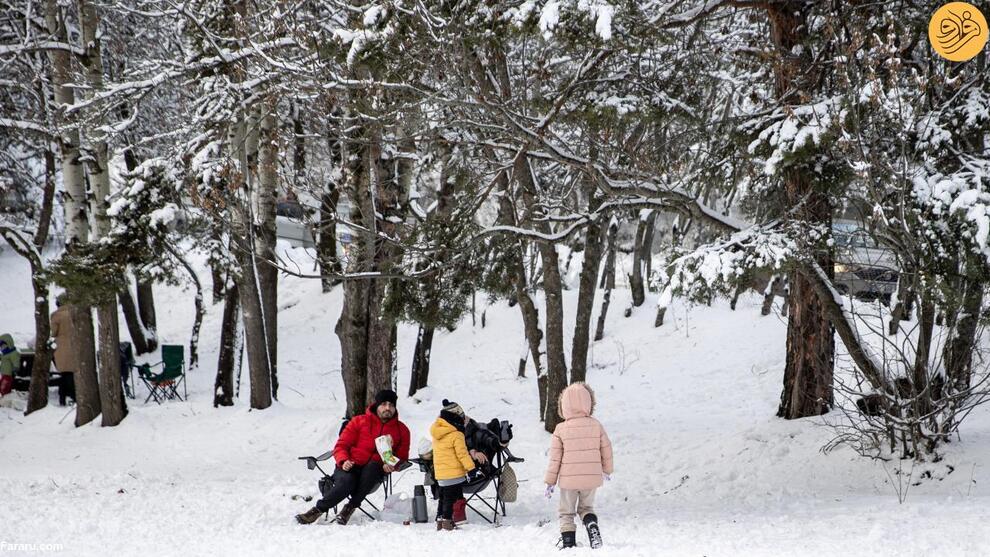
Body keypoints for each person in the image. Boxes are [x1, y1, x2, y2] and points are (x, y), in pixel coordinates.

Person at [295, 389, 410, 525]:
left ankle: (350, 507)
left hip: (374, 473)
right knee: (348, 480)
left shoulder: (402, 430)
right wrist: (343, 461)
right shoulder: (358, 421)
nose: (387, 408)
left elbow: (402, 458)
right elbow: (341, 446)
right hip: (350, 465)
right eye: (384, 404)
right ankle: (318, 510)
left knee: (373, 465)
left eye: (391, 405)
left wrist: (391, 465)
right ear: (376, 405)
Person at [544, 382, 613, 549]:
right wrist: (607, 469)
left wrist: (550, 481)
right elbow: (606, 448)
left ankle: (568, 542)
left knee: (566, 511)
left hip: (569, 480)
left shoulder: (560, 429)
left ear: (564, 406)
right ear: (589, 403)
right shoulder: (596, 425)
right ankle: (591, 524)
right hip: (591, 478)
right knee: (586, 507)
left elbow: (555, 458)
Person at [430, 399, 480, 531]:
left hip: (441, 474)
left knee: (442, 498)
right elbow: (462, 454)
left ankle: (440, 520)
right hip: (453, 474)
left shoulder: (438, 433)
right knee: (450, 500)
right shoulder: (456, 434)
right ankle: (447, 522)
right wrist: (471, 468)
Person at [50, 297, 76, 406]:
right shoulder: (75, 312)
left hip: (62, 348)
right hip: (75, 346)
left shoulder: (56, 315)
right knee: (72, 373)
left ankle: (63, 398)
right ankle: (73, 396)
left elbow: (54, 332)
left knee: (64, 374)